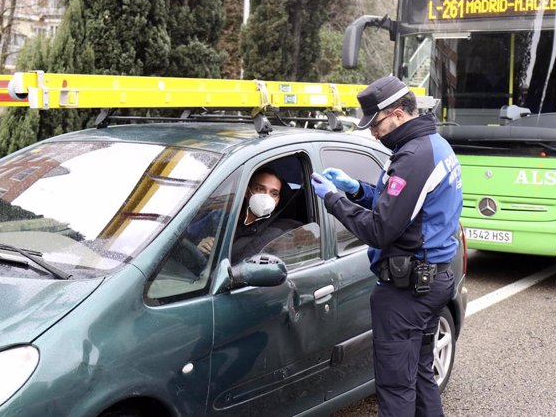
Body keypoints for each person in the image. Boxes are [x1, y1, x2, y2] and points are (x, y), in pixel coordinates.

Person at [311, 76, 463, 417]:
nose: (372, 132)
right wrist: (355, 190)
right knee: (422, 374)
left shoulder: (413, 157)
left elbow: (381, 230)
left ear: (396, 114)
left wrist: (334, 200)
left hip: (407, 292)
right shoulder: (434, 145)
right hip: (431, 281)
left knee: (396, 388)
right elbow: (403, 207)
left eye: (375, 123)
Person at [196, 167, 302, 264]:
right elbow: (186, 239)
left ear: (278, 200)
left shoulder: (279, 235)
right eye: (260, 189)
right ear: (247, 191)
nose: (266, 197)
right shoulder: (220, 217)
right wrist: (201, 246)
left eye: (273, 193)